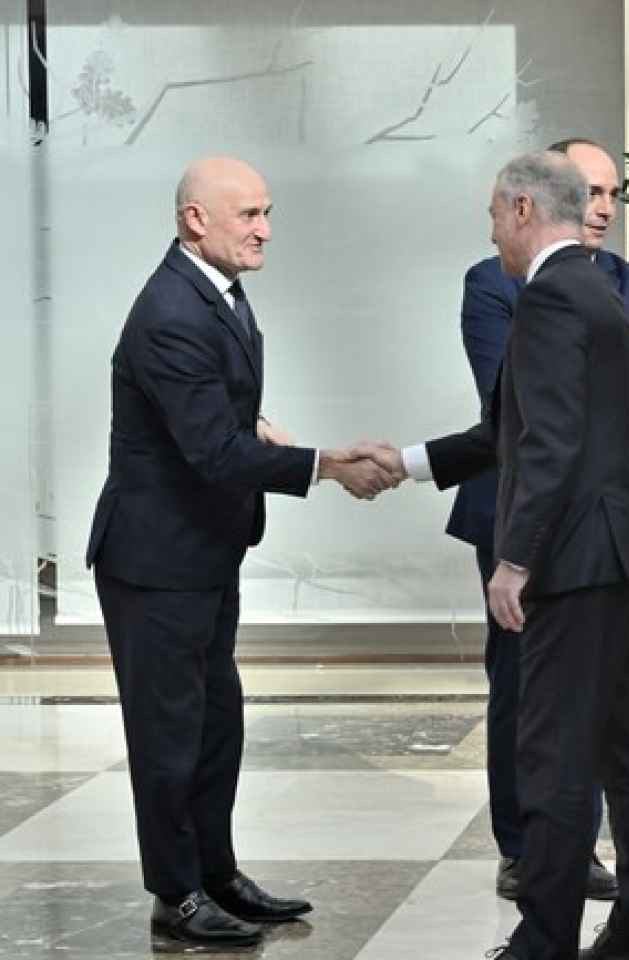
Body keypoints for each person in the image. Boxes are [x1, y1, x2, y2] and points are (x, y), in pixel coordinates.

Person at [86, 156, 398, 947]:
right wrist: (326, 464)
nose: (264, 230)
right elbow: (210, 452)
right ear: (195, 219)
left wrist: (250, 426)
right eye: (248, 216)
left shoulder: (212, 290)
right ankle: (177, 895)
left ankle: (216, 873)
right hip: (154, 563)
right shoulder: (169, 311)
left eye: (267, 213)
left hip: (201, 554)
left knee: (216, 725)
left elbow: (214, 418)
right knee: (167, 737)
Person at [380, 151, 629, 960]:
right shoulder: (600, 292)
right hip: (626, 553)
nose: (489, 229)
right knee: (628, 751)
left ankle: (544, 940)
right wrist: (402, 463)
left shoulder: (548, 299)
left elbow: (545, 446)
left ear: (519, 209)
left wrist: (513, 562)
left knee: (550, 755)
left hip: (576, 564)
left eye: (491, 212)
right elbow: (508, 431)